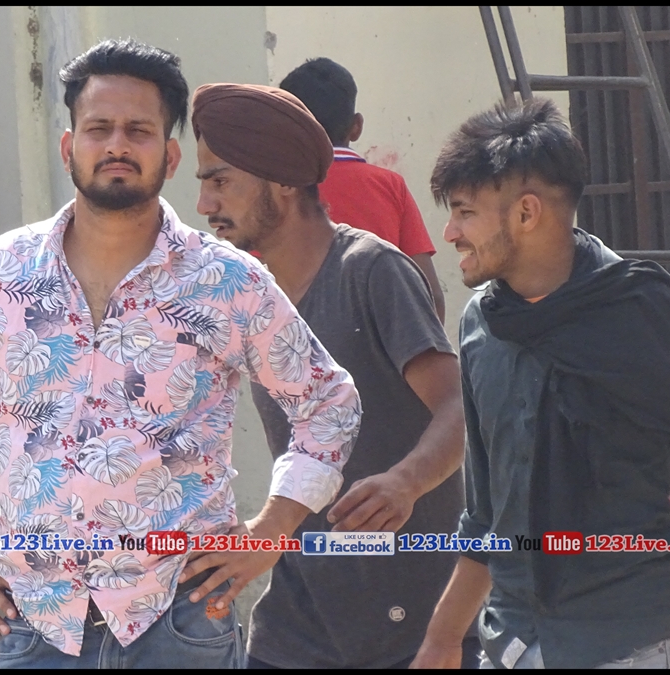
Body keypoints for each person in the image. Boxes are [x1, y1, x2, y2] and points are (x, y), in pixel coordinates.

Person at [0, 38, 362, 669]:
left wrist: (270, 533)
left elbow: (328, 403)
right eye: (99, 128)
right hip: (37, 620)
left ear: (170, 156)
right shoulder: (2, 273)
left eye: (139, 131)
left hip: (180, 618)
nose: (117, 145)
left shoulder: (225, 280)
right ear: (69, 147)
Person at [190, 83, 474, 669]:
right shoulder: (251, 296)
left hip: (413, 625)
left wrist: (405, 483)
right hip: (297, 625)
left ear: (283, 180)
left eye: (220, 182)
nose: (204, 204)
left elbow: (459, 408)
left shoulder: (371, 271)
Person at [412, 98, 670, 669]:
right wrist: (442, 639)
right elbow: (487, 515)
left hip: (631, 643)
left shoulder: (643, 316)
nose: (449, 232)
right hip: (512, 643)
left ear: (526, 213)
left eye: (464, 212)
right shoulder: (481, 325)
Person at [279, 57, 446, 324]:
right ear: (356, 126)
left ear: (286, 131)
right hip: (386, 344)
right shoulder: (391, 186)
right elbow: (429, 295)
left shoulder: (275, 191)